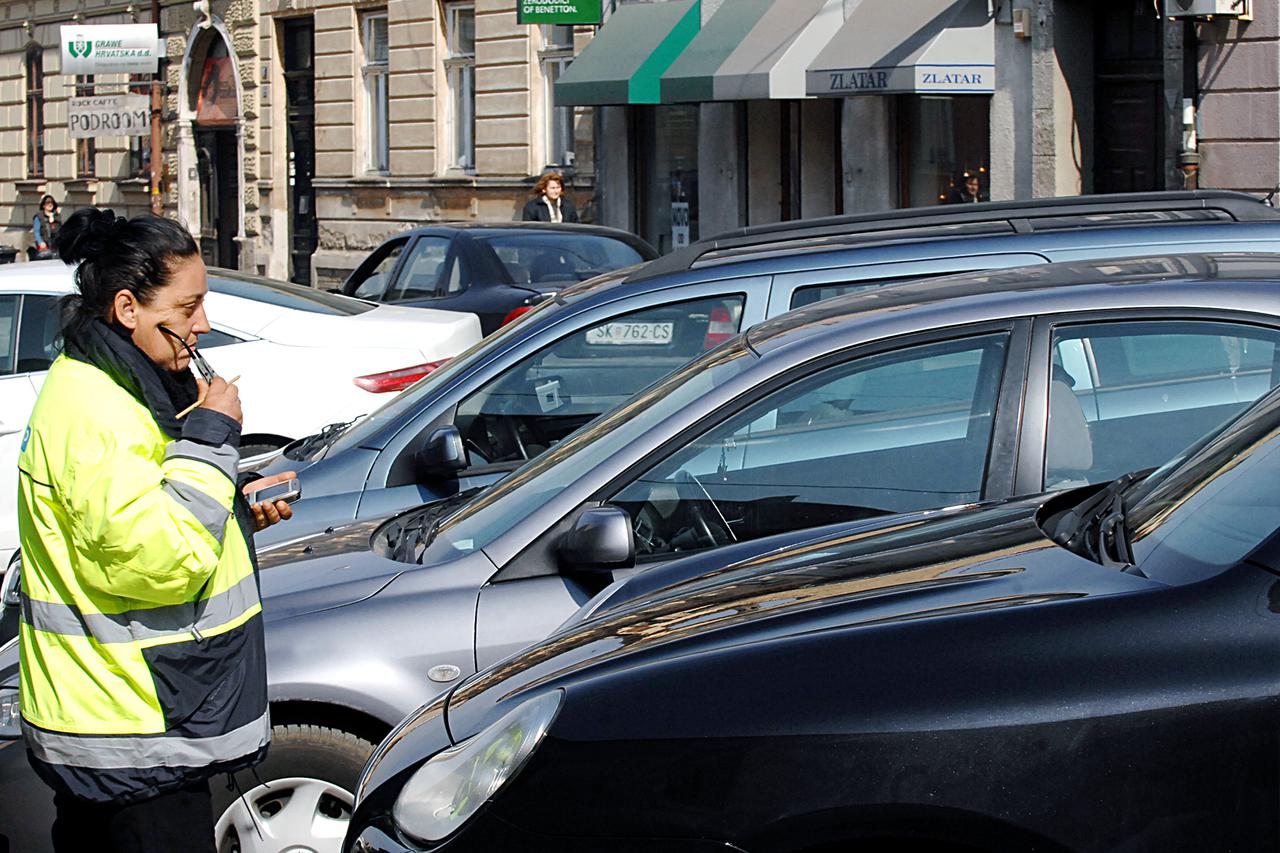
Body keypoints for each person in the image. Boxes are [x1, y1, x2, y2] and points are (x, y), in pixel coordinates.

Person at [15, 207, 297, 853]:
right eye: (188, 306)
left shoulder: (125, 384)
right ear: (127, 308)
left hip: (140, 715)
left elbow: (154, 507)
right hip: (127, 729)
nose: (204, 324)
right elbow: (159, 558)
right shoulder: (94, 408)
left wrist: (233, 502)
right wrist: (212, 436)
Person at [31, 194, 59, 259]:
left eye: (52, 202)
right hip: (44, 246)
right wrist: (40, 242)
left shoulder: (57, 216)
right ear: (43, 205)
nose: (50, 204)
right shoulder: (39, 216)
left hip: (55, 246)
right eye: (48, 203)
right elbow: (36, 231)